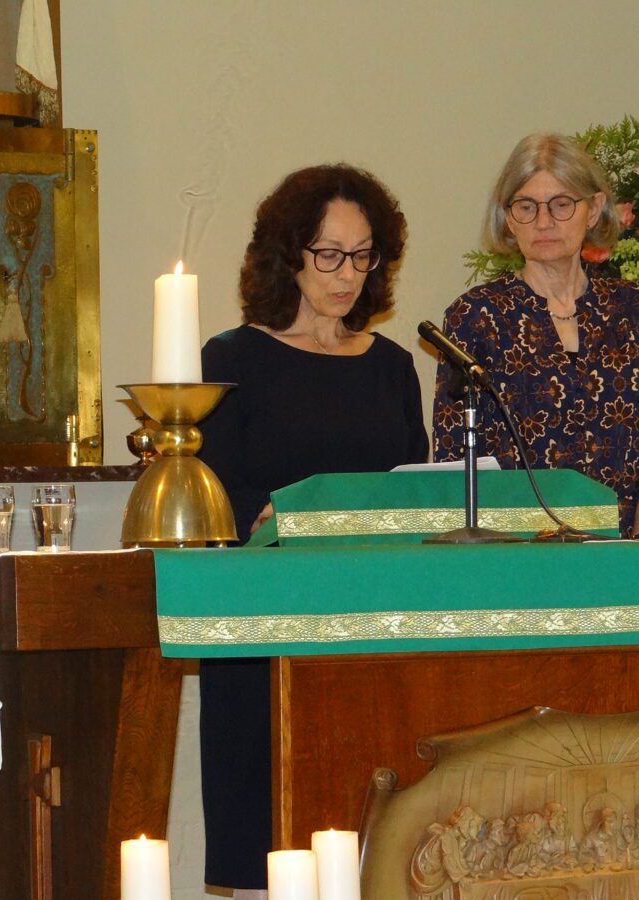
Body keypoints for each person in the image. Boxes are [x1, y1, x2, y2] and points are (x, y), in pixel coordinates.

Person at [197, 164, 429, 891]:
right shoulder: (231, 360)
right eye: (329, 254)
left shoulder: (392, 367)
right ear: (288, 254)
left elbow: (413, 490)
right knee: (271, 852)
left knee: (377, 849)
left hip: (371, 632)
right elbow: (209, 492)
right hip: (266, 631)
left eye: (363, 256)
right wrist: (269, 510)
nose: (347, 274)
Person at [431, 134, 639, 538]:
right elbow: (456, 457)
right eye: (526, 207)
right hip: (512, 554)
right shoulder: (475, 317)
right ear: (508, 218)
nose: (544, 222)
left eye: (561, 204)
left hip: (622, 551)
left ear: (593, 210)